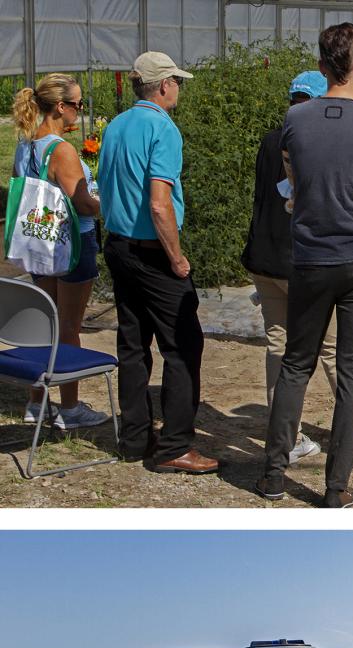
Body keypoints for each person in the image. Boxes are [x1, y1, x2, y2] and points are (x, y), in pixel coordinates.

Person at [255, 22, 353, 509]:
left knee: (296, 364)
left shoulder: (294, 123)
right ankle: (336, 488)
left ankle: (274, 474)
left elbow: (295, 185)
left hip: (311, 259)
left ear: (321, 67)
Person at [97, 52, 216, 473]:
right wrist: (177, 257)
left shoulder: (115, 125)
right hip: (152, 250)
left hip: (118, 245)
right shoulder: (163, 129)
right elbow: (160, 203)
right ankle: (174, 446)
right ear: (163, 84)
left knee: (133, 343)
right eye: (177, 81)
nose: (179, 88)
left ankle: (134, 438)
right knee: (183, 344)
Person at [9, 74, 109, 431]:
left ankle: (37, 403)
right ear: (62, 107)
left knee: (45, 322)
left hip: (38, 243)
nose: (80, 112)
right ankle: (70, 407)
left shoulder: (26, 146)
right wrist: (107, 203)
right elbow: (81, 204)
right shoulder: (62, 150)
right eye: (78, 105)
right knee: (69, 325)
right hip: (71, 245)